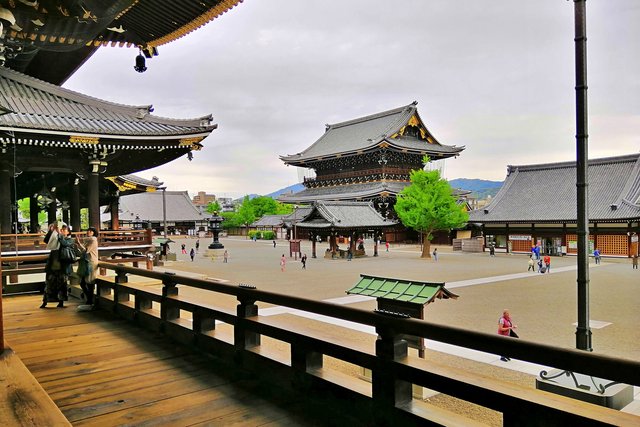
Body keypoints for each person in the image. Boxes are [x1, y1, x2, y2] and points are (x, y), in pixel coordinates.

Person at [41, 224, 74, 308]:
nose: (62, 231)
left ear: (68, 232)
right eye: (61, 230)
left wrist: (59, 235)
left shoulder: (70, 240)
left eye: (64, 230)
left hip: (62, 267)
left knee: (62, 285)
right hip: (52, 265)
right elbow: (46, 240)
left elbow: (64, 244)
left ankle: (61, 302)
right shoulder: (56, 238)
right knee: (49, 284)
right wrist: (51, 231)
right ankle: (45, 302)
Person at [75, 227, 99, 310]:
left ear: (94, 233)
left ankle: (90, 300)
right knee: (83, 281)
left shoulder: (93, 240)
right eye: (88, 230)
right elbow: (83, 251)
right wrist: (78, 245)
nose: (88, 232)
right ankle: (89, 299)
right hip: (85, 262)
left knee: (89, 282)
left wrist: (78, 243)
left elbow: (86, 251)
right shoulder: (87, 240)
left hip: (91, 262)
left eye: (91, 231)